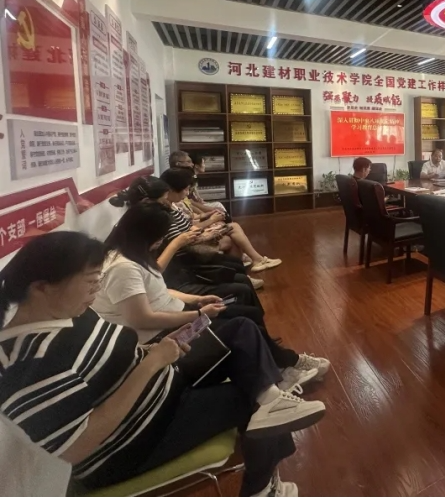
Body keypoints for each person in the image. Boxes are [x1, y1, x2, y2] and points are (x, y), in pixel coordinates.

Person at [0, 232, 324, 496]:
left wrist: (153, 350)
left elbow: (107, 358)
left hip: (161, 380)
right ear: (41, 287)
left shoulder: (69, 313)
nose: (96, 290)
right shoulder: (23, 363)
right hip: (132, 444)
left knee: (240, 329)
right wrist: (150, 363)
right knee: (249, 397)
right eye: (90, 282)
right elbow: (76, 447)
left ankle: (272, 399)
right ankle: (261, 487)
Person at [98, 203, 330, 382]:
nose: (161, 241)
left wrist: (198, 300)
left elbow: (160, 292)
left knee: (247, 314)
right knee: (244, 323)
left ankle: (281, 362)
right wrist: (198, 314)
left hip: (176, 316)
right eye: (160, 236)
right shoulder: (123, 268)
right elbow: (142, 319)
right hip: (165, 336)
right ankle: (288, 364)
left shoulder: (133, 256)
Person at [159, 168, 281, 273]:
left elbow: (188, 225)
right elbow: (182, 240)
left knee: (231, 228)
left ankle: (250, 267)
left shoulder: (172, 206)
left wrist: (208, 224)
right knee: (231, 236)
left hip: (193, 239)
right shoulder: (165, 212)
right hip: (191, 248)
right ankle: (250, 267)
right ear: (172, 190)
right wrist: (209, 229)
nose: (186, 193)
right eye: (185, 190)